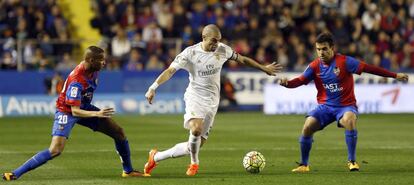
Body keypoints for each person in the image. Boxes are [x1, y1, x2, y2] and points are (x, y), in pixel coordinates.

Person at [143, 24, 282, 176]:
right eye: (213, 41)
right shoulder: (190, 53)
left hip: (212, 102)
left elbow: (242, 59)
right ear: (204, 38)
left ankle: (155, 157)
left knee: (193, 146)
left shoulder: (222, 49)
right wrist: (153, 87)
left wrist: (264, 68)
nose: (216, 44)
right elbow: (170, 71)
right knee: (195, 129)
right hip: (195, 97)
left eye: (218, 41)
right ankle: (194, 163)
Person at [2, 46, 143, 181]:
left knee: (119, 132)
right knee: (55, 149)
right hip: (67, 111)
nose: (104, 62)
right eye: (101, 60)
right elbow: (75, 111)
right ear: (91, 61)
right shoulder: (77, 81)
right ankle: (15, 173)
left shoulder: (92, 67)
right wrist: (97, 114)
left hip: (84, 106)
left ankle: (128, 171)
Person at [279, 32, 409, 172]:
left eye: (324, 49)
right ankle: (304, 165)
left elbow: (369, 68)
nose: (321, 52)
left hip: (345, 106)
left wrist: (394, 75)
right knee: (307, 127)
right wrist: (288, 84)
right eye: (318, 49)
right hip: (325, 107)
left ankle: (352, 161)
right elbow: (300, 80)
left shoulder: (345, 62)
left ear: (332, 48)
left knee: (350, 120)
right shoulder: (314, 66)